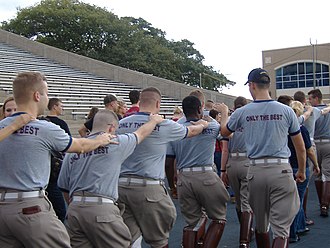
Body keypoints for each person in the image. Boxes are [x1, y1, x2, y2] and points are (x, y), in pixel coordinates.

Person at [0, 71, 116, 248]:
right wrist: (101, 139)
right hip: (30, 207)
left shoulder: (2, 128)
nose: (47, 99)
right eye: (46, 93)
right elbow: (81, 146)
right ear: (37, 95)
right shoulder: (45, 128)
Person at [218, 68, 306, 247]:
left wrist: (226, 114)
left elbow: (225, 131)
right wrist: (302, 170)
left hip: (255, 170)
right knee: (281, 229)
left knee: (261, 225)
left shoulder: (243, 112)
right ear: (268, 85)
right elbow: (300, 147)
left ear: (251, 86)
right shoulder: (287, 111)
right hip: (280, 169)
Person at [116, 87, 209, 248]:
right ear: (157, 103)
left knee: (130, 239)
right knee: (159, 240)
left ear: (140, 101)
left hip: (121, 186)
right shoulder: (163, 124)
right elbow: (191, 131)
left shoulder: (121, 123)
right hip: (149, 187)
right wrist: (202, 124)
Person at [58, 109, 164, 248]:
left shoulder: (76, 148)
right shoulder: (116, 143)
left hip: (75, 210)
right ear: (111, 127)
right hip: (102, 209)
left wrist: (78, 206)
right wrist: (154, 121)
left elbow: (64, 186)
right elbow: (140, 134)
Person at [166, 95, 230, 248]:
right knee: (218, 218)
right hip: (205, 175)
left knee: (191, 223)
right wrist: (224, 113)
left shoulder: (175, 128)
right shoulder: (212, 126)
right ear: (200, 108)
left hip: (184, 177)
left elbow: (169, 162)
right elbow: (226, 132)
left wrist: (172, 186)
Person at [220, 96, 254, 248]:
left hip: (233, 162)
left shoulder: (231, 121)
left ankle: (245, 231)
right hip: (248, 161)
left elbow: (225, 149)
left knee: (239, 201)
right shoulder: (251, 119)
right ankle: (245, 238)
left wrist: (223, 169)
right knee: (247, 202)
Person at [287, 101, 320, 243]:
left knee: (290, 201)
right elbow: (308, 150)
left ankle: (298, 227)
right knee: (298, 200)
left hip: (287, 167)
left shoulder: (283, 129)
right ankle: (295, 230)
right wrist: (316, 164)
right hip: (300, 167)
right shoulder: (302, 130)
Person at [45, 97, 71, 223]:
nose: (63, 108)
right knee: (61, 211)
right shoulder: (60, 124)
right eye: (61, 105)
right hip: (54, 170)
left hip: (44, 170)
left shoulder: (43, 122)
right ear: (54, 107)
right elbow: (69, 146)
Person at [308, 89, 330, 217]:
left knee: (317, 173)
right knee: (327, 174)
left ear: (316, 98)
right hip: (328, 142)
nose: (309, 101)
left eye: (311, 98)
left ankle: (321, 202)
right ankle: (325, 203)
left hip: (315, 144)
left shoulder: (312, 112)